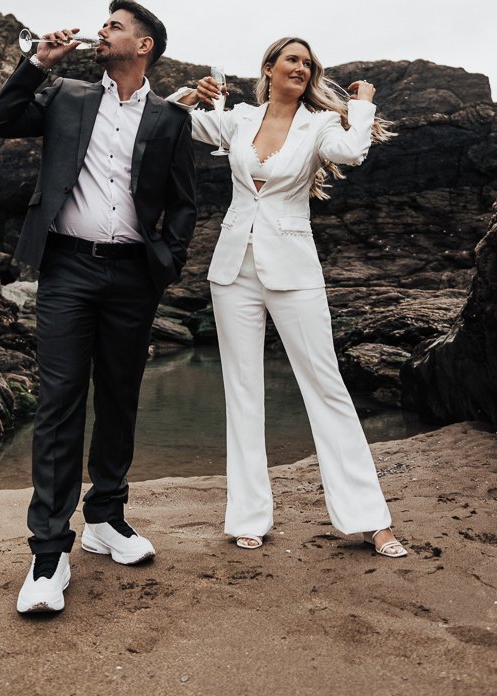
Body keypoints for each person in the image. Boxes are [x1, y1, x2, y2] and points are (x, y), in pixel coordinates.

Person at [0, 0, 196, 614]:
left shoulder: (167, 119)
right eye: (104, 24)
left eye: (114, 26)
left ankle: (106, 517)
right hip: (68, 268)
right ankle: (49, 554)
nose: (101, 33)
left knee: (122, 397)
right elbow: (0, 120)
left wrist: (166, 262)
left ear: (145, 45)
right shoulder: (67, 96)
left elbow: (183, 203)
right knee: (59, 404)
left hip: (134, 276)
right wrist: (36, 64)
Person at [168, 36, 407, 558]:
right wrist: (192, 91)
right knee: (242, 391)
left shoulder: (319, 124)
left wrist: (362, 105)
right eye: (292, 59)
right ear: (269, 68)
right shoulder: (236, 119)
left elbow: (352, 151)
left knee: (326, 387)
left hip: (294, 269)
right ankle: (248, 516)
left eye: (308, 63)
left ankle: (371, 519)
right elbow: (168, 121)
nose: (300, 67)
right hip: (232, 269)